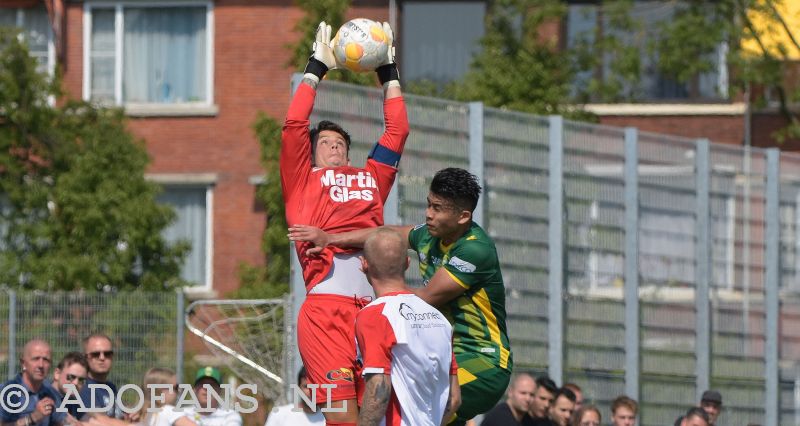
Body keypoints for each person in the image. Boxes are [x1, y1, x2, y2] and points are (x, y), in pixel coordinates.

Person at [289, 167, 512, 425]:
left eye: (438, 208)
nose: (428, 214)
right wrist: (331, 239)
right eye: (429, 204)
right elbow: (385, 236)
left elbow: (425, 298)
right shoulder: (429, 234)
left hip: (483, 360)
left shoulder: (474, 249)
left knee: (399, 406)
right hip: (442, 353)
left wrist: (377, 298)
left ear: (463, 216)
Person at [281, 18, 408, 425]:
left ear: (349, 155)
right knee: (342, 419)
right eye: (324, 144)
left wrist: (387, 72)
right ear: (312, 156)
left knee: (383, 417)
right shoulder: (303, 182)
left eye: (340, 144)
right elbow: (294, 127)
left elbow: (398, 130)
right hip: (325, 315)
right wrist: (316, 69)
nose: (333, 148)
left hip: (373, 311)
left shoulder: (370, 178)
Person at [354, 228, 459, 426]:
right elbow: (454, 399)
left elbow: (378, 391)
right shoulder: (440, 319)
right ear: (407, 263)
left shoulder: (376, 315)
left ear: (364, 265)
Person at [0, 339, 66, 425]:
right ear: (23, 363)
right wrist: (32, 418)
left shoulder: (51, 393)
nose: (41, 365)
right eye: (36, 359)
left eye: (46, 360)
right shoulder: (7, 392)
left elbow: (63, 421)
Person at [79, 334, 120, 420]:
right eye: (96, 354)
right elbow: (100, 422)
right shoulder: (82, 388)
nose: (102, 358)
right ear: (85, 357)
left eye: (107, 354)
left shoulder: (111, 387)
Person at [51, 352, 89, 421]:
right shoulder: (45, 397)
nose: (76, 383)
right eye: (71, 377)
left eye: (81, 380)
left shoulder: (73, 402)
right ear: (57, 374)